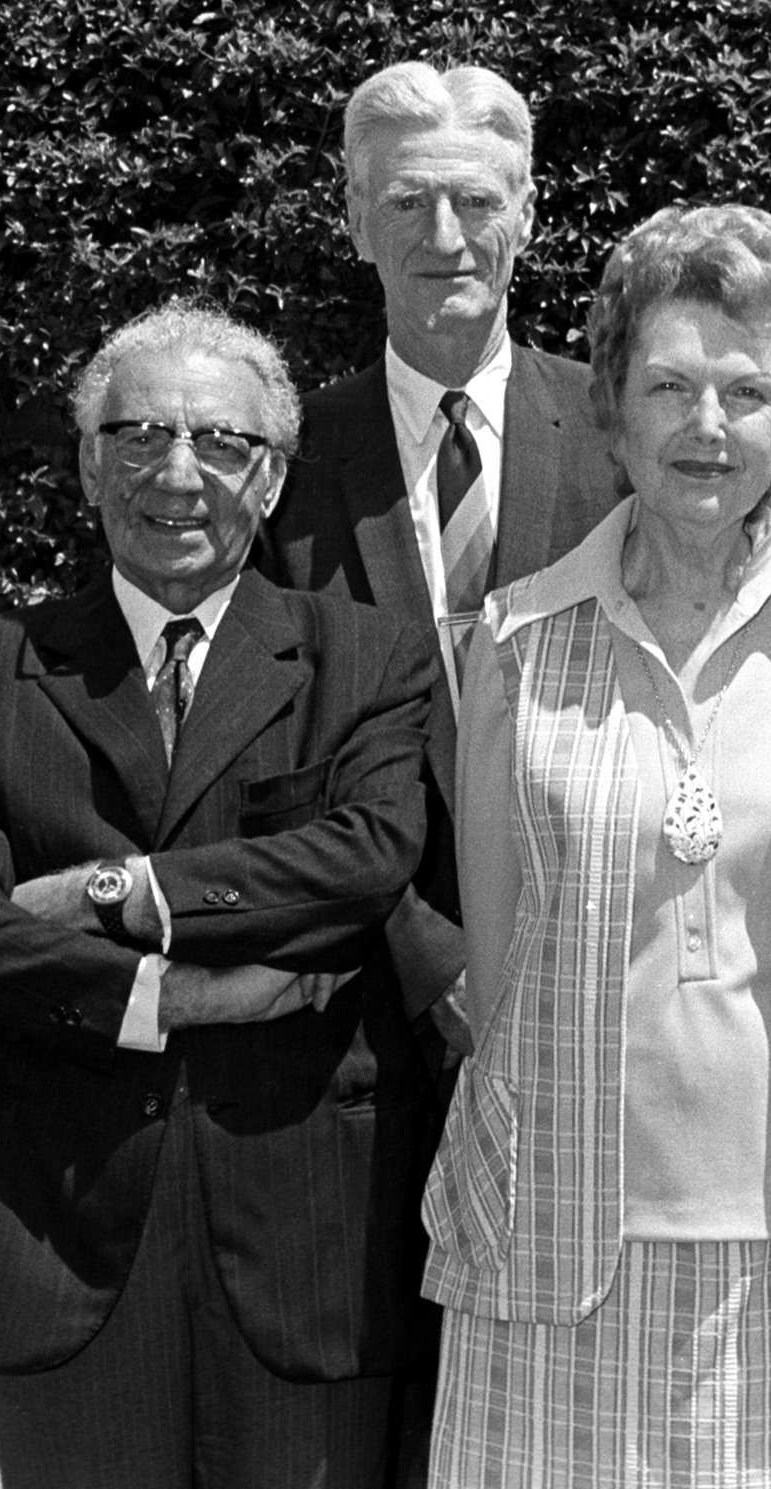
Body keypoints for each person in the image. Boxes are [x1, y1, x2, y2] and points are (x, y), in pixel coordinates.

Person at [0, 302, 439, 1489]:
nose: (178, 473)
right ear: (90, 463)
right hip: (60, 1240)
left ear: (275, 478)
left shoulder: (366, 660)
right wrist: (168, 995)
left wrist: (115, 889)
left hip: (309, 1251)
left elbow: (365, 857)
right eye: (138, 434)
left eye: (222, 443)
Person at [419, 203, 771, 1487]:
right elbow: (497, 942)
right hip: (557, 1249)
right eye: (669, 385)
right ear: (614, 406)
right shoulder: (518, 644)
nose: (708, 427)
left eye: (747, 389)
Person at [262, 60, 620, 1065]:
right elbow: (280, 764)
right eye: (408, 201)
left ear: (531, 214)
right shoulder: (282, 467)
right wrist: (439, 966)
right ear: (355, 221)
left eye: (476, 199)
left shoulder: (626, 443)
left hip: (600, 1008)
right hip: (364, 1036)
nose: (446, 237)